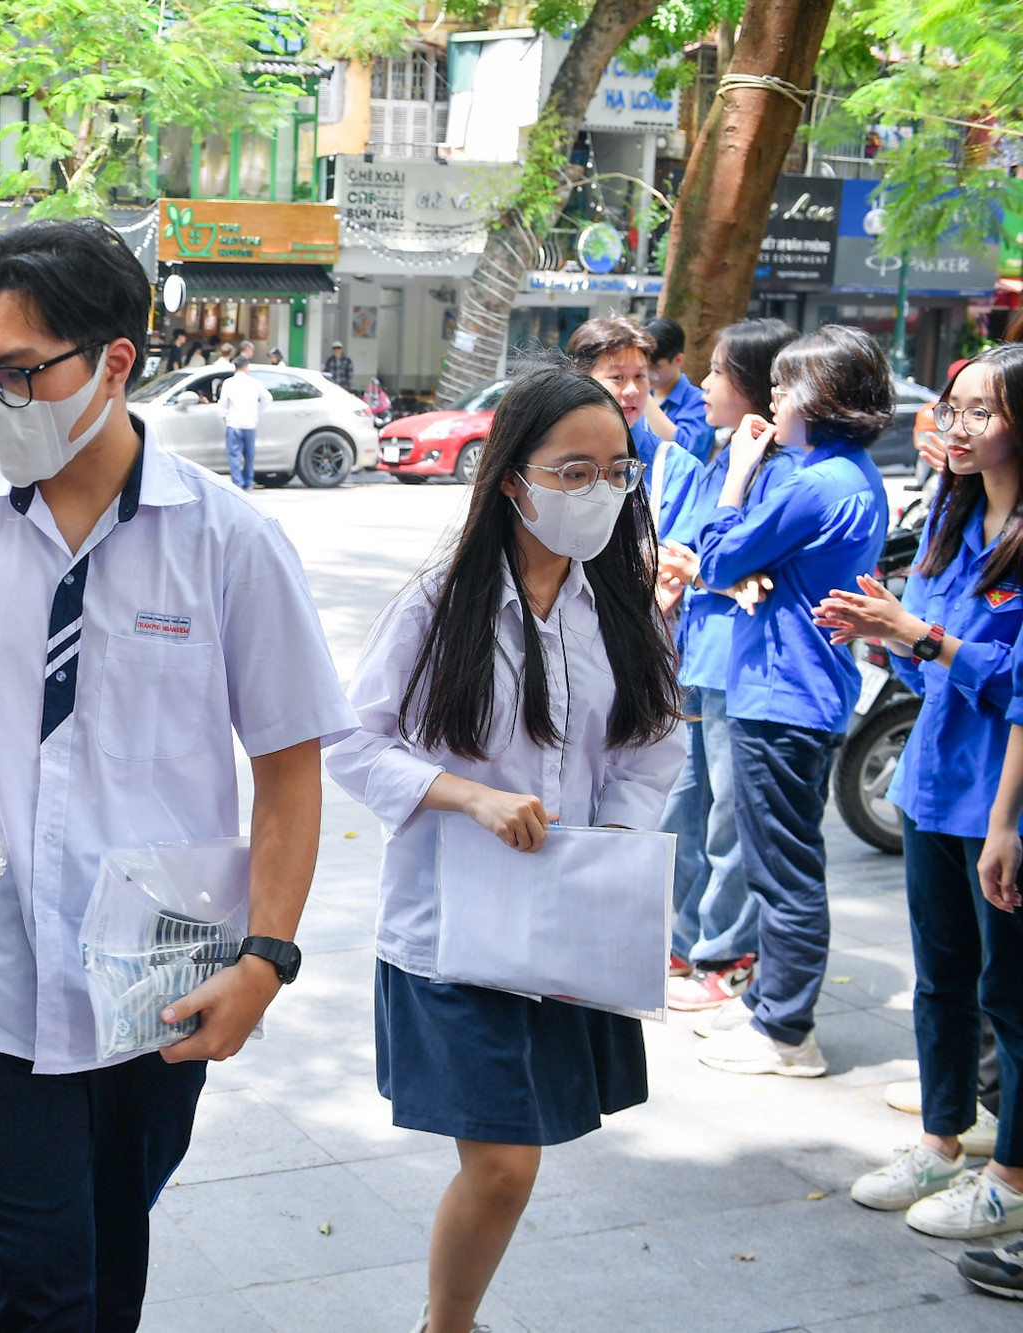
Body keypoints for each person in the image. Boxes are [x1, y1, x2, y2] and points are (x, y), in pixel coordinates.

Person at [0, 218, 353, 1332]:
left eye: (17, 374)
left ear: (114, 361)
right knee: (40, 1287)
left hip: (156, 980)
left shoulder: (227, 541)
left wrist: (267, 957)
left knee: (109, 1265)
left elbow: (287, 768)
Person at [327, 366, 683, 1333]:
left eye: (618, 471)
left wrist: (614, 839)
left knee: (516, 1156)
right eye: (575, 470)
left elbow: (653, 747)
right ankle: (446, 1327)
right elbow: (353, 741)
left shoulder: (624, 608)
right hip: (455, 925)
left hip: (571, 914)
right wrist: (469, 796)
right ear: (513, 478)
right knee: (504, 1161)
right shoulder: (440, 605)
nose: (601, 491)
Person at [820, 346, 1023, 1244]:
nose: (962, 425)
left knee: (1010, 996)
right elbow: (927, 654)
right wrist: (884, 628)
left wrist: (925, 637)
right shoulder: (951, 516)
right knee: (941, 983)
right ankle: (945, 1141)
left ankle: (1010, 1176)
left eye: (985, 410)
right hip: (932, 784)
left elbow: (1011, 682)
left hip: (1002, 806)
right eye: (957, 407)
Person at [692, 325, 890, 1078]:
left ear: (828, 397)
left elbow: (717, 557)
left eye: (787, 384)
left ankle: (785, 1029)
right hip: (803, 690)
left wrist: (738, 474)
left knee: (783, 870)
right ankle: (771, 1009)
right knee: (783, 861)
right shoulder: (843, 473)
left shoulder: (813, 483)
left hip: (785, 696)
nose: (774, 396)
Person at [655, 319, 801, 1013]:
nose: (706, 385)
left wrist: (711, 571)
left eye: (719, 372)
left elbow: (746, 566)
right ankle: (682, 941)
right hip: (696, 659)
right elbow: (689, 550)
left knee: (728, 820)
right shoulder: (720, 455)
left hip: (741, 664)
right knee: (683, 807)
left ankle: (725, 953)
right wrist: (706, 572)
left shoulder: (778, 468)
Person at [566, 317, 663, 468]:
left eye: (640, 376)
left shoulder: (674, 469)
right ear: (581, 380)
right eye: (617, 377)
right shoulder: (549, 453)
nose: (633, 390)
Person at [642, 316, 716, 464]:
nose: (647, 373)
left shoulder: (700, 401)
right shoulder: (644, 395)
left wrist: (643, 397)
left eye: (655, 366)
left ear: (678, 360)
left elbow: (687, 449)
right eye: (643, 366)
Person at [218, 354, 272, 490]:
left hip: (234, 423)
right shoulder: (254, 383)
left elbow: (223, 403)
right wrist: (257, 412)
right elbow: (267, 398)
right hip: (250, 424)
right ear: (246, 367)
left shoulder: (229, 383)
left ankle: (237, 484)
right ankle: (248, 482)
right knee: (249, 455)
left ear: (235, 368)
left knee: (234, 456)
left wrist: (225, 416)